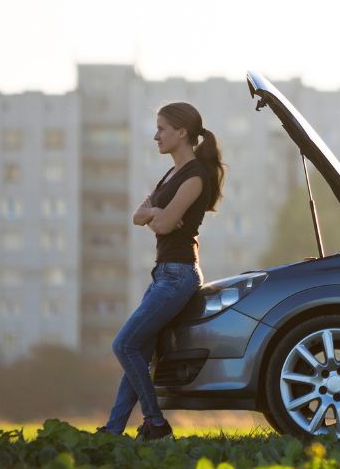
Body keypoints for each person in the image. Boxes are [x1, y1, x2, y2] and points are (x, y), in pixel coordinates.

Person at [97, 102, 225, 440]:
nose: (156, 136)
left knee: (123, 345)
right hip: (164, 274)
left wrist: (156, 214)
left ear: (181, 132)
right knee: (136, 350)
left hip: (179, 274)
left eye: (162, 129)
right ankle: (113, 431)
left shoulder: (195, 176)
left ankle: (155, 423)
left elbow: (163, 223)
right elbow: (138, 216)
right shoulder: (170, 175)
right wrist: (158, 213)